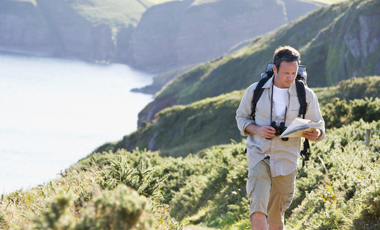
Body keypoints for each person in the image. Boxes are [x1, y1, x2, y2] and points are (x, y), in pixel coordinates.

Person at [235, 46, 325, 230]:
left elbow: (319, 126)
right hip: (259, 154)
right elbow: (241, 117)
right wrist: (257, 129)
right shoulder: (255, 90)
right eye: (286, 73)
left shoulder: (306, 95)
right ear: (275, 69)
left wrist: (315, 134)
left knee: (276, 215)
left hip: (287, 160)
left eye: (293, 73)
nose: (290, 78)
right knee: (258, 203)